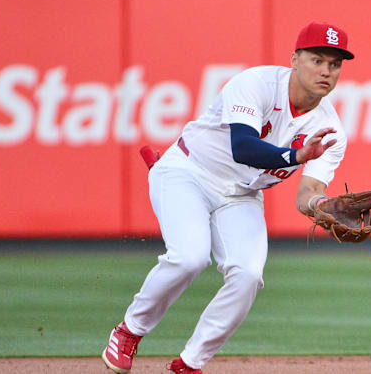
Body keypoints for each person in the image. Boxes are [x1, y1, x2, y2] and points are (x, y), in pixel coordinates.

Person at [102, 22, 353, 374]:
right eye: (317, 60)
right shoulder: (257, 83)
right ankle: (129, 331)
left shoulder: (331, 130)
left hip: (241, 196)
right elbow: (242, 148)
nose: (326, 71)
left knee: (248, 275)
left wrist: (321, 207)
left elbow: (307, 195)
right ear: (295, 59)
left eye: (335, 64)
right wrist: (295, 156)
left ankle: (189, 363)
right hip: (189, 171)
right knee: (189, 257)